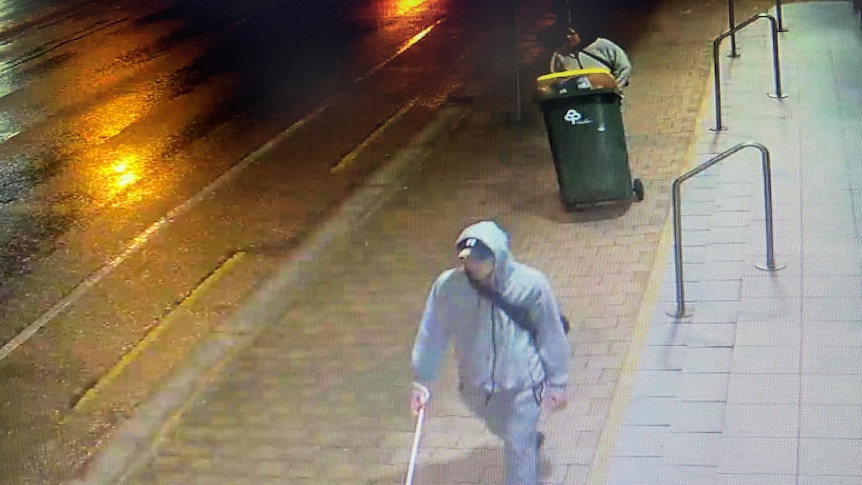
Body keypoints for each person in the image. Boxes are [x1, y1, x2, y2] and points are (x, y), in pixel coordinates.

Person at [410, 221, 570, 485]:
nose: (474, 266)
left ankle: (523, 447)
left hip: (522, 384)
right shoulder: (449, 288)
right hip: (476, 386)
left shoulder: (531, 284)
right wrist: (422, 380)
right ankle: (522, 437)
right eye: (469, 260)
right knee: (505, 431)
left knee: (518, 447)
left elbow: (550, 332)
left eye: (480, 260)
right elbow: (432, 333)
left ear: (498, 255)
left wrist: (557, 383)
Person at [549, 26, 632, 88]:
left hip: (606, 101)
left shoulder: (603, 45)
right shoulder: (560, 53)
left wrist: (614, 88)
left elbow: (624, 67)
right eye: (567, 33)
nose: (568, 37)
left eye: (572, 33)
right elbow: (555, 77)